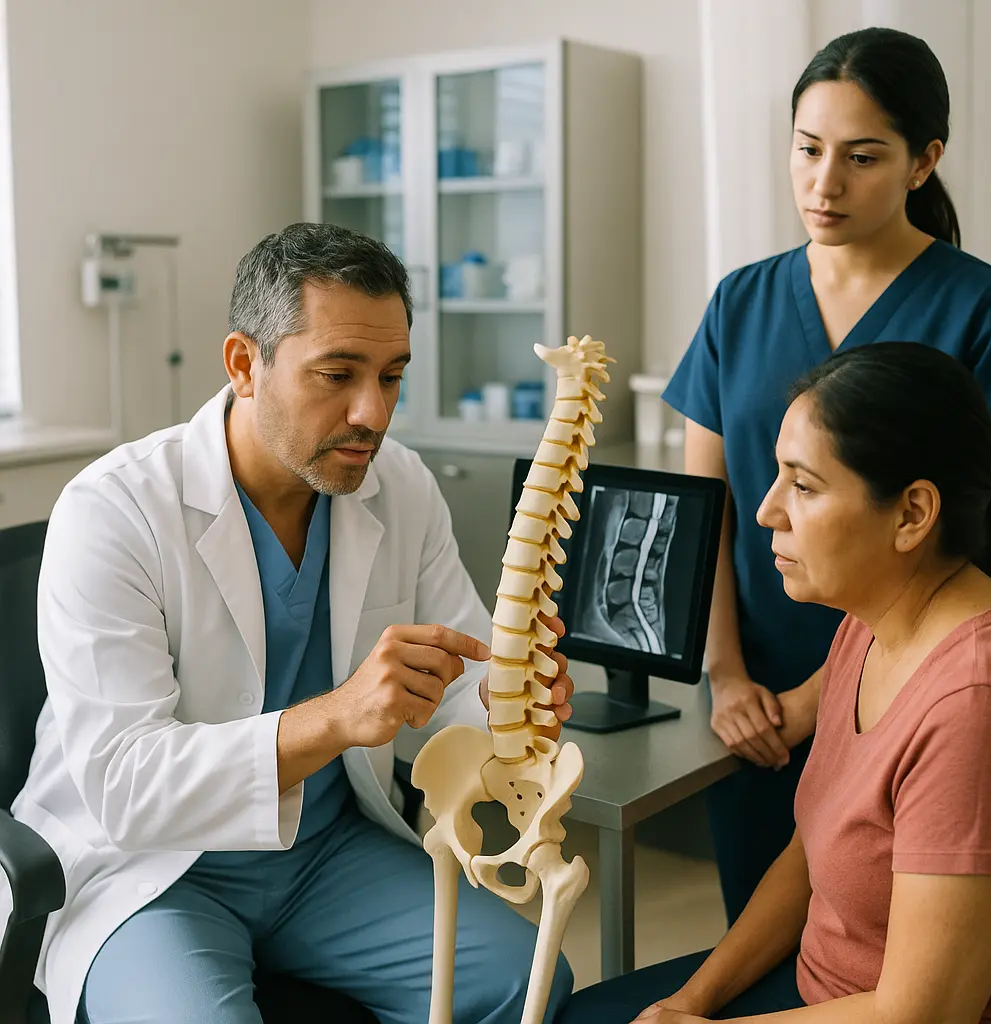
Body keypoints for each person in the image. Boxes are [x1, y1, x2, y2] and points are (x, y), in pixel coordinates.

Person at [6, 223, 576, 1024]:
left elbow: (460, 664)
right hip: (153, 870)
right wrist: (341, 713)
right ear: (245, 364)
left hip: (327, 855)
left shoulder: (397, 484)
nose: (372, 413)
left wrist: (507, 701)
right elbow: (124, 785)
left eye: (392, 376)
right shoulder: (114, 511)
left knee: (526, 985)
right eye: (337, 374)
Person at [662, 25, 991, 924]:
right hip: (749, 705)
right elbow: (706, 508)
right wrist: (729, 676)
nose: (824, 184)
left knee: (881, 953)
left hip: (914, 693)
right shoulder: (739, 300)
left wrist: (818, 701)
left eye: (862, 157)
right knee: (760, 933)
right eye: (809, 150)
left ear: (921, 161)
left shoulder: (984, 308)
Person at [559, 341, 991, 1023]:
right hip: (812, 990)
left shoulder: (978, 705)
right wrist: (689, 1002)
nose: (766, 512)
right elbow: (809, 855)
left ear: (912, 514)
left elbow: (925, 1013)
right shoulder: (868, 625)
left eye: (803, 486)